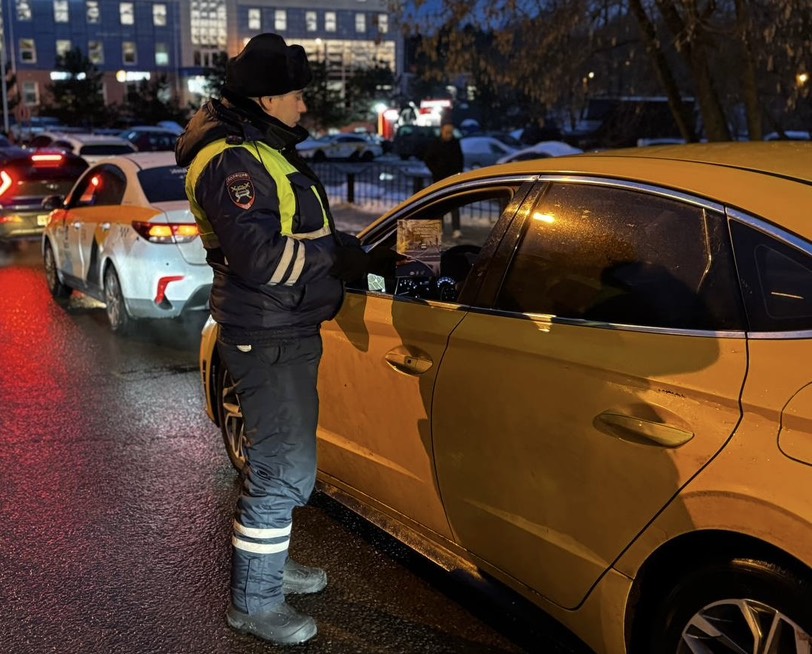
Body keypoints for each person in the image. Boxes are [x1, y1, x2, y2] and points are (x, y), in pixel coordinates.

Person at [175, 32, 395, 646]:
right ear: (270, 98)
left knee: (289, 457)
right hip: (267, 329)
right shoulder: (231, 161)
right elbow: (264, 259)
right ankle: (255, 600)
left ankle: (272, 568)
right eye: (298, 95)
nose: (305, 106)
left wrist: (336, 258)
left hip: (285, 326)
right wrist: (337, 256)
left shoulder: (257, 147)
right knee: (279, 468)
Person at [422, 121, 464, 238]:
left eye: (450, 132)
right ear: (442, 131)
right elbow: (428, 158)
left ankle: (456, 228)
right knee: (440, 204)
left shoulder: (455, 143)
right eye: (447, 132)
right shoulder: (436, 143)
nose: (449, 134)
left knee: (454, 204)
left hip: (453, 178)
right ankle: (440, 229)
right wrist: (435, 170)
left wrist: (459, 174)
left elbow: (460, 159)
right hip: (439, 178)